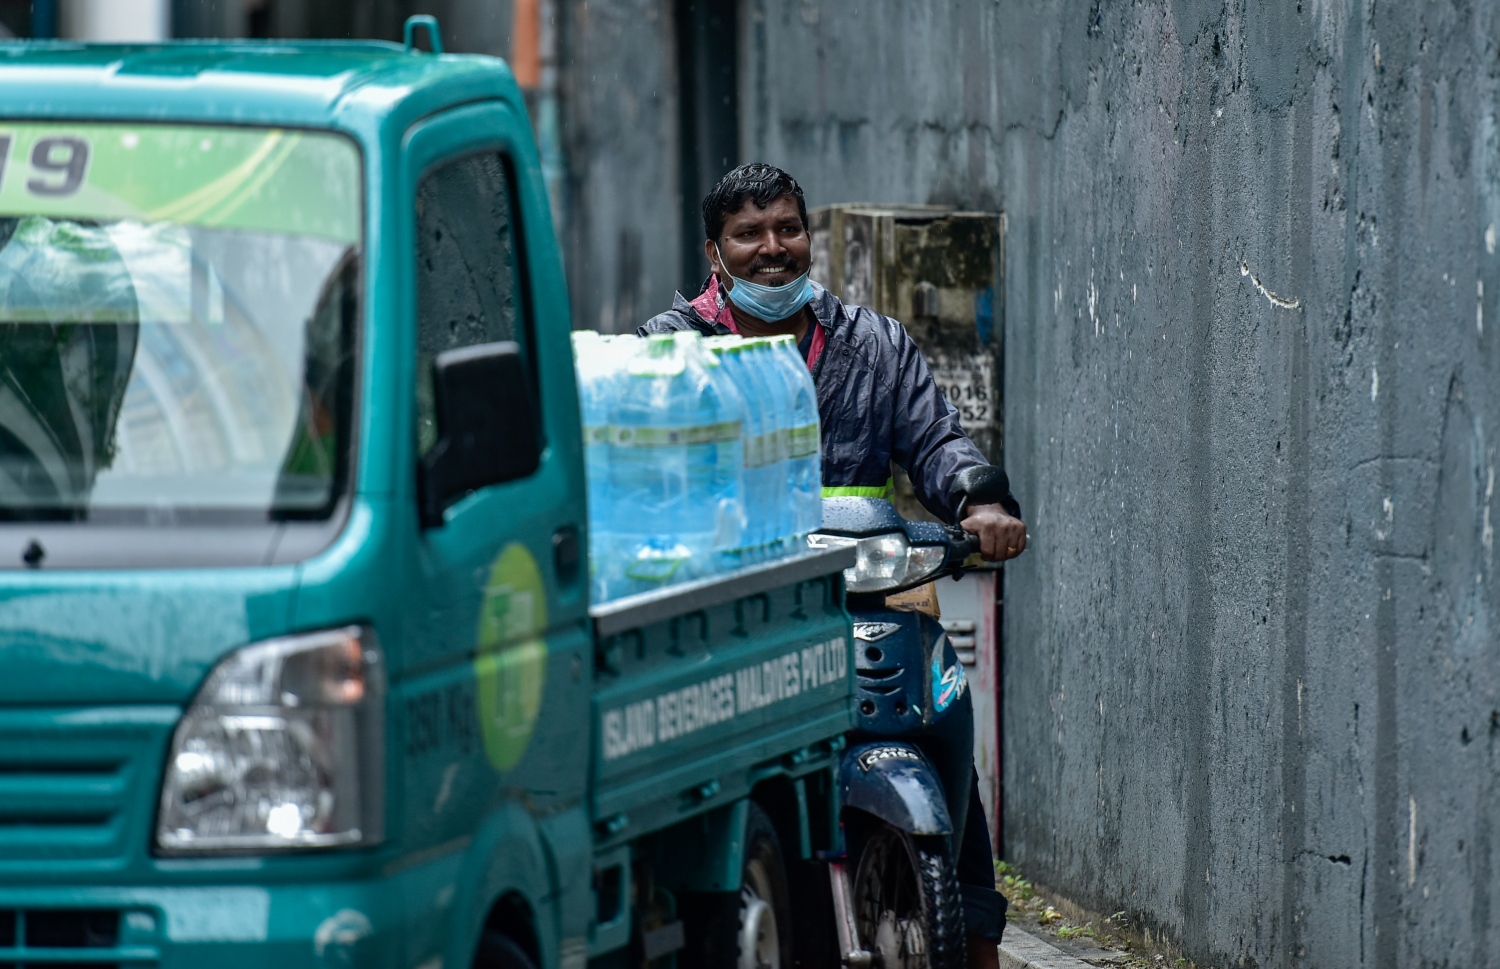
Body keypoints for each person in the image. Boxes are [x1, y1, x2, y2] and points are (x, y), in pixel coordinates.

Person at [641, 163, 1027, 968]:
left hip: (873, 603)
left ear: (807, 237)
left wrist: (978, 498)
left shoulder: (874, 344)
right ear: (714, 251)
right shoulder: (671, 353)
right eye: (748, 234)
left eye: (787, 228)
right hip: (737, 618)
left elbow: (937, 440)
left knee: (944, 732)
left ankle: (975, 937)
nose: (771, 248)